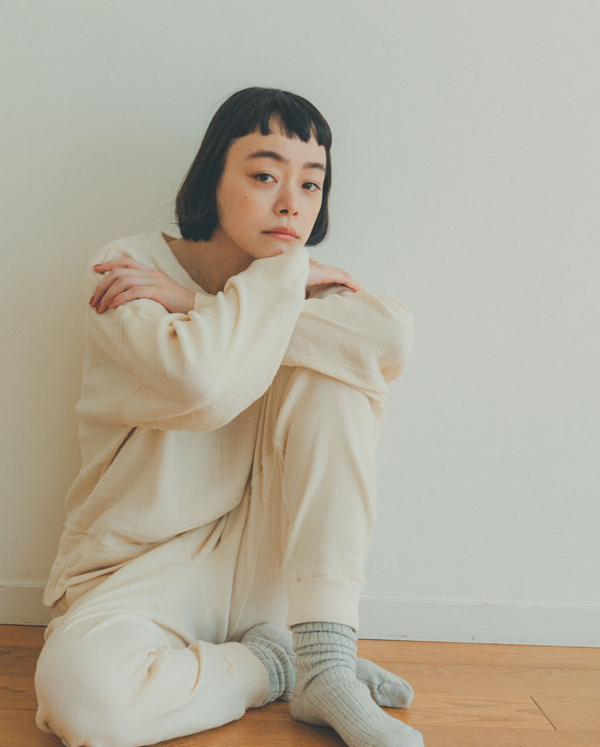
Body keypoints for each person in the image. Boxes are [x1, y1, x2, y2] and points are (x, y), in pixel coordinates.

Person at [33, 87, 423, 747]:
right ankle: (278, 665)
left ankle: (326, 659)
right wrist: (285, 276)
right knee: (85, 697)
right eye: (265, 175)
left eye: (311, 183)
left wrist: (193, 302)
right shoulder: (127, 270)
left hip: (267, 571)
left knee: (338, 373)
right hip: (145, 567)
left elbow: (390, 339)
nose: (291, 203)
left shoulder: (294, 288)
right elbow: (201, 382)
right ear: (212, 176)